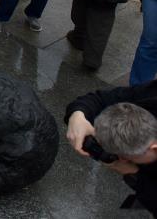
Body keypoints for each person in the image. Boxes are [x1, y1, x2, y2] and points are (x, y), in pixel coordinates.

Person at [65, 84, 157, 214]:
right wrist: (77, 115)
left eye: (126, 156)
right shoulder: (151, 96)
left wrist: (134, 174)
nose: (120, 159)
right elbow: (100, 98)